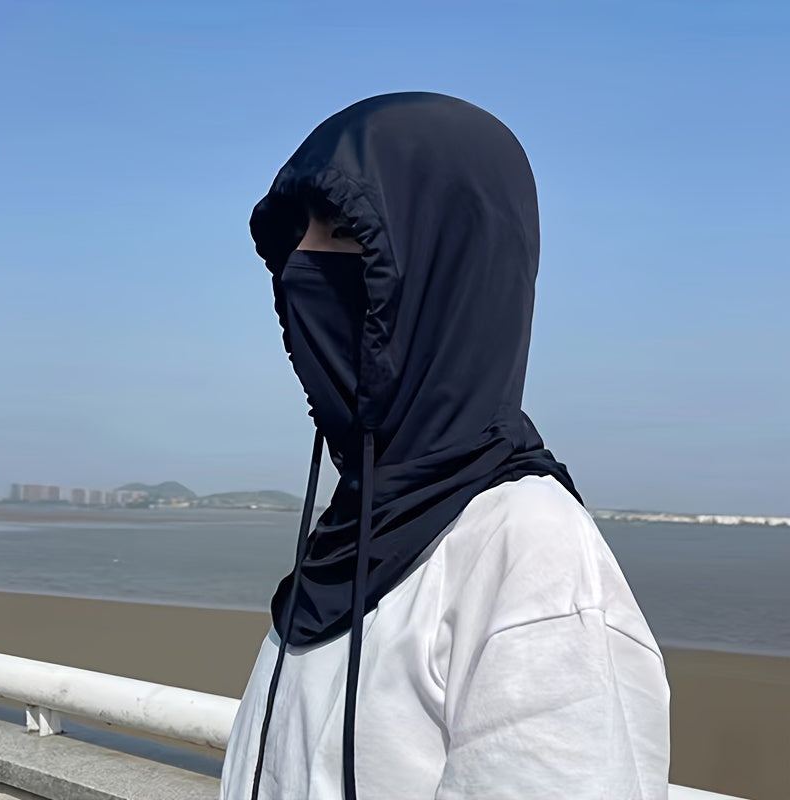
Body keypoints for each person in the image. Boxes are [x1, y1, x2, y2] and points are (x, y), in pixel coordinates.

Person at [221, 92, 670, 800]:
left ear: (449, 270)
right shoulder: (351, 524)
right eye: (298, 233)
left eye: (341, 231)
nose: (301, 261)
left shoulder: (529, 553)